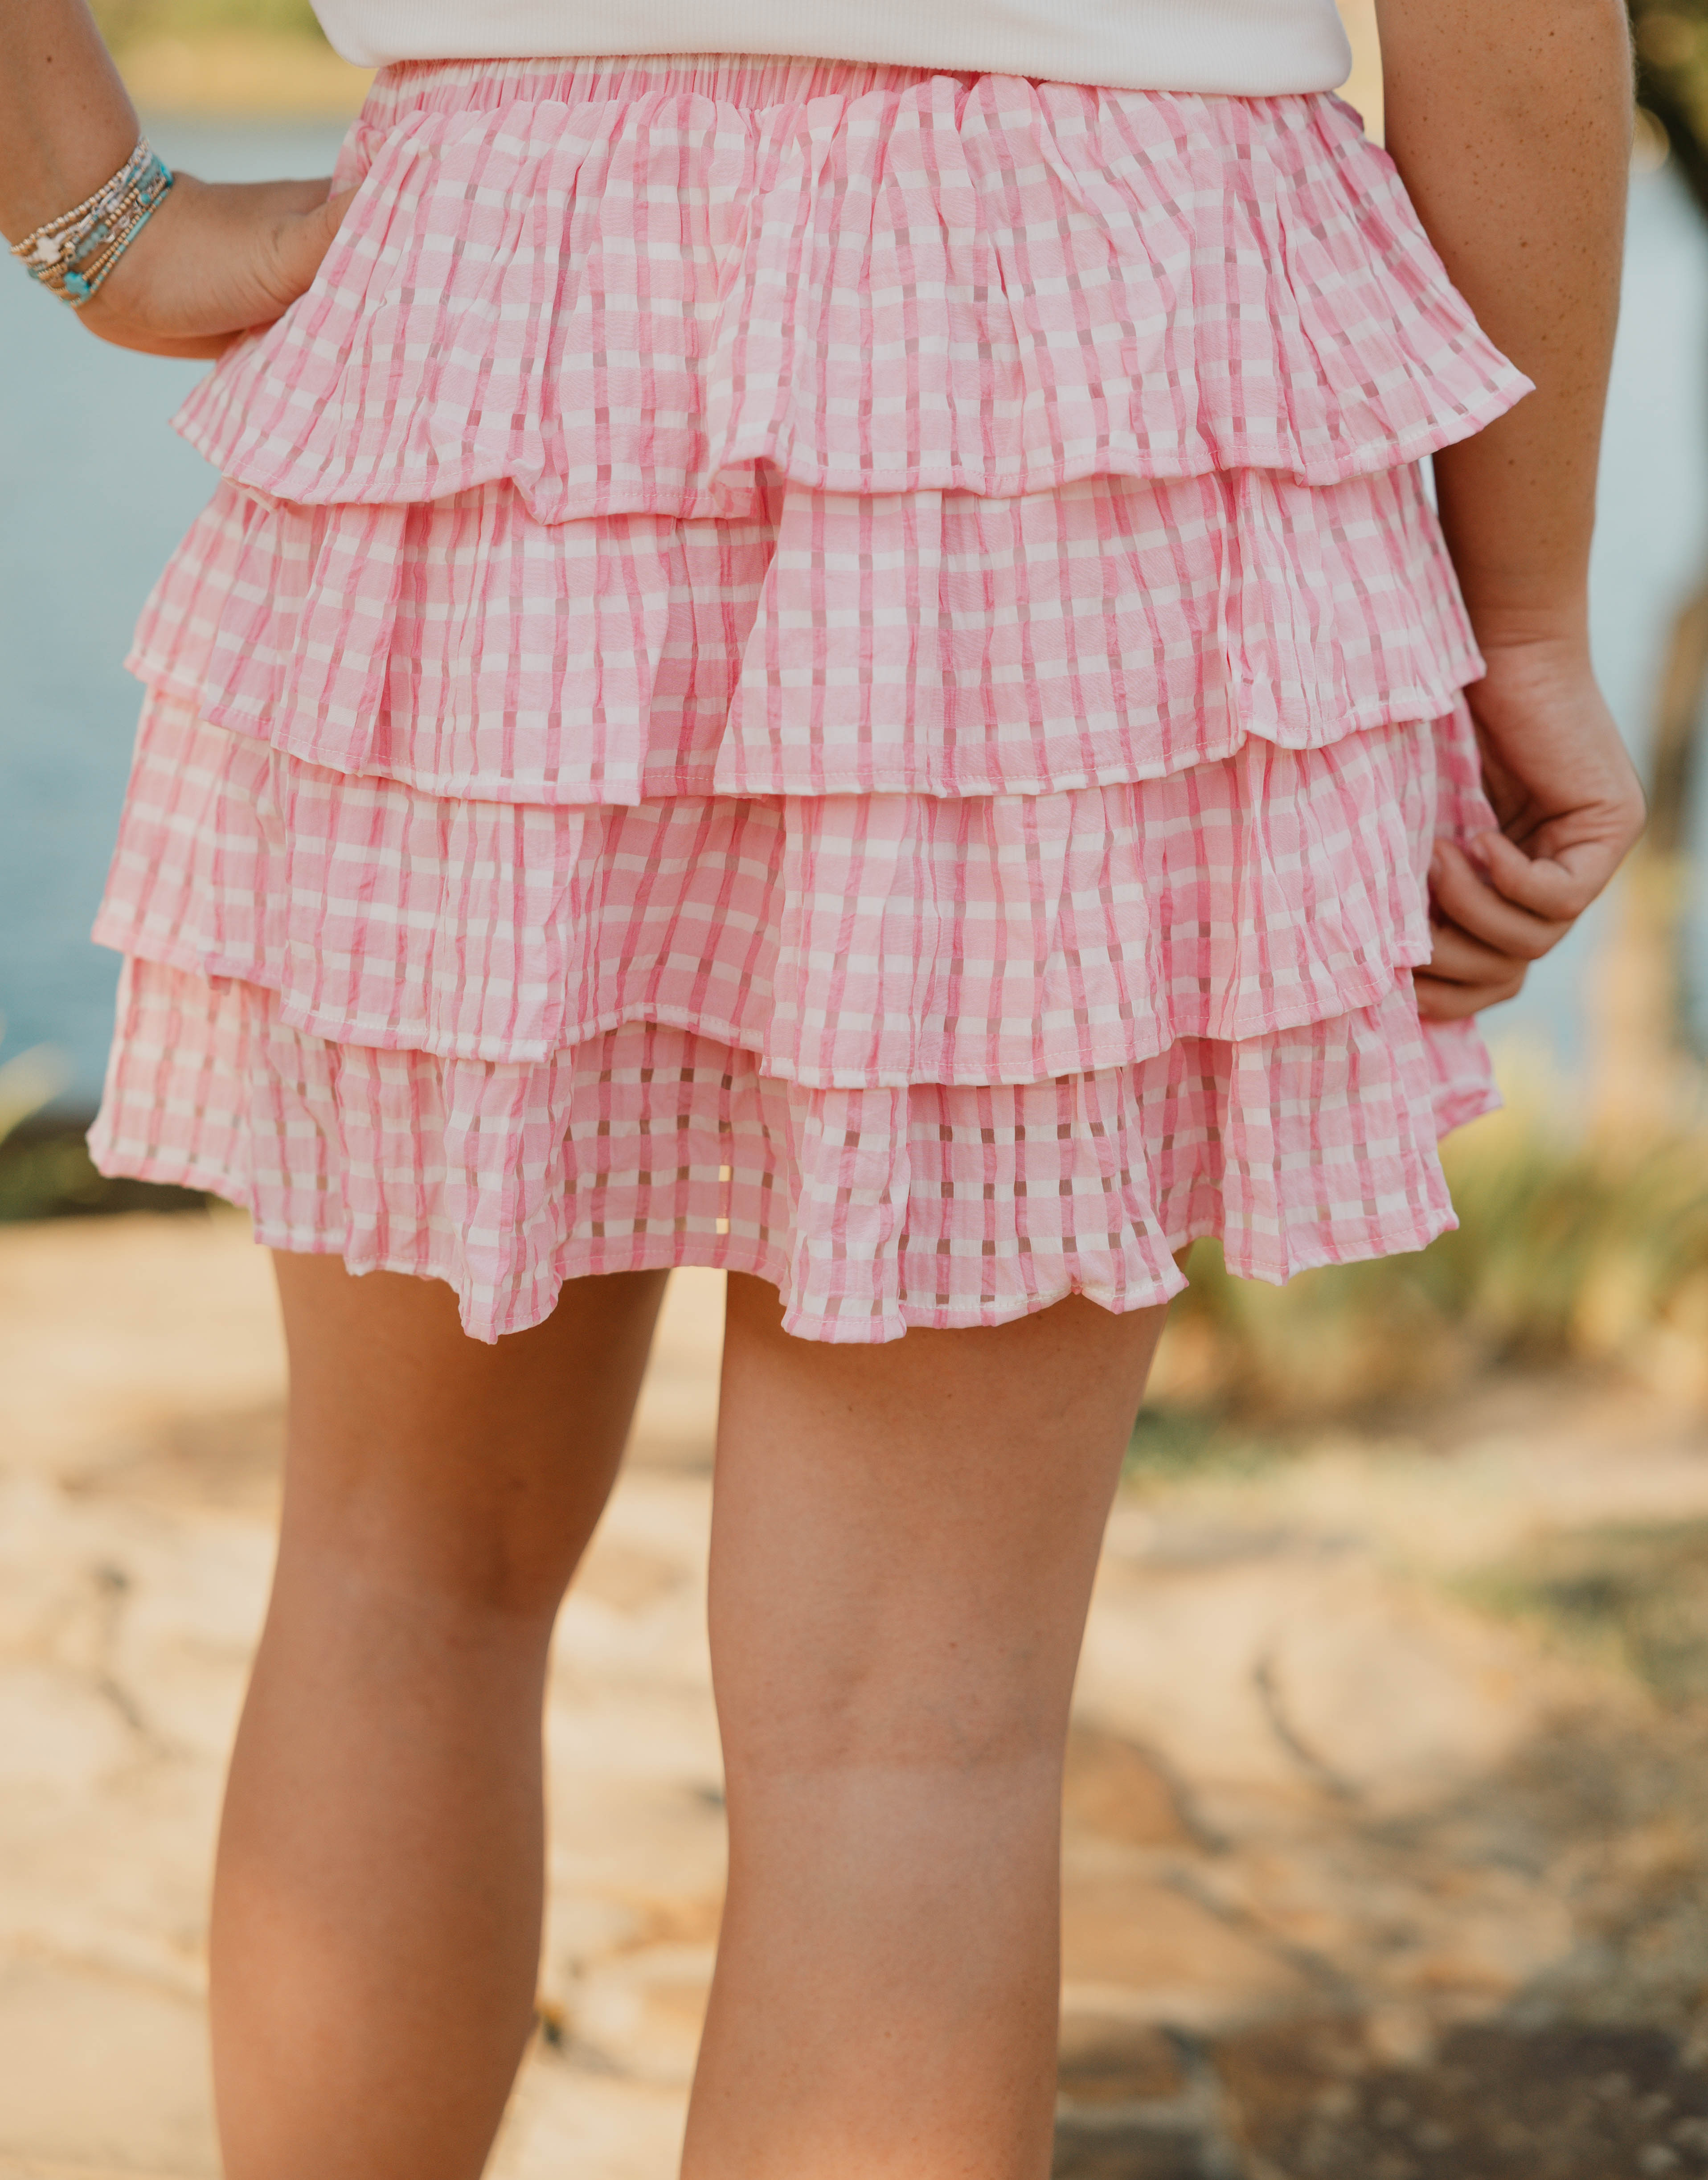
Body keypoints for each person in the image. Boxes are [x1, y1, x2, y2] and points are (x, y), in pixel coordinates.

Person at [2, 0, 1642, 2172]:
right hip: (1082, 351)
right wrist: (1520, 613)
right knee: (908, 1737)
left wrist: (87, 211)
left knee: (401, 1563)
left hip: (500, 313)